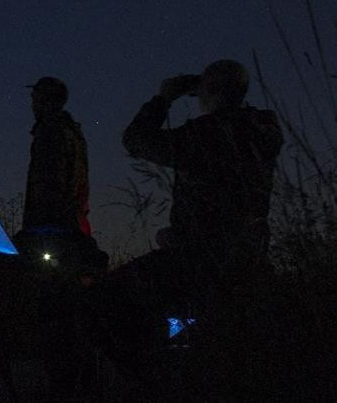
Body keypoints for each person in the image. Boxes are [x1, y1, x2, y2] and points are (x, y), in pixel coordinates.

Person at [102, 59, 283, 372]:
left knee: (104, 302)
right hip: (246, 258)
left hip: (199, 262)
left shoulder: (207, 133)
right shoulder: (263, 132)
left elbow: (136, 140)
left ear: (210, 91)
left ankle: (148, 379)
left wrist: (164, 98)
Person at [14, 77, 101, 268]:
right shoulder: (72, 132)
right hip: (72, 225)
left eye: (35, 98)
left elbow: (49, 185)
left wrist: (34, 233)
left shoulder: (50, 130)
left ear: (45, 100)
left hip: (54, 232)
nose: (32, 104)